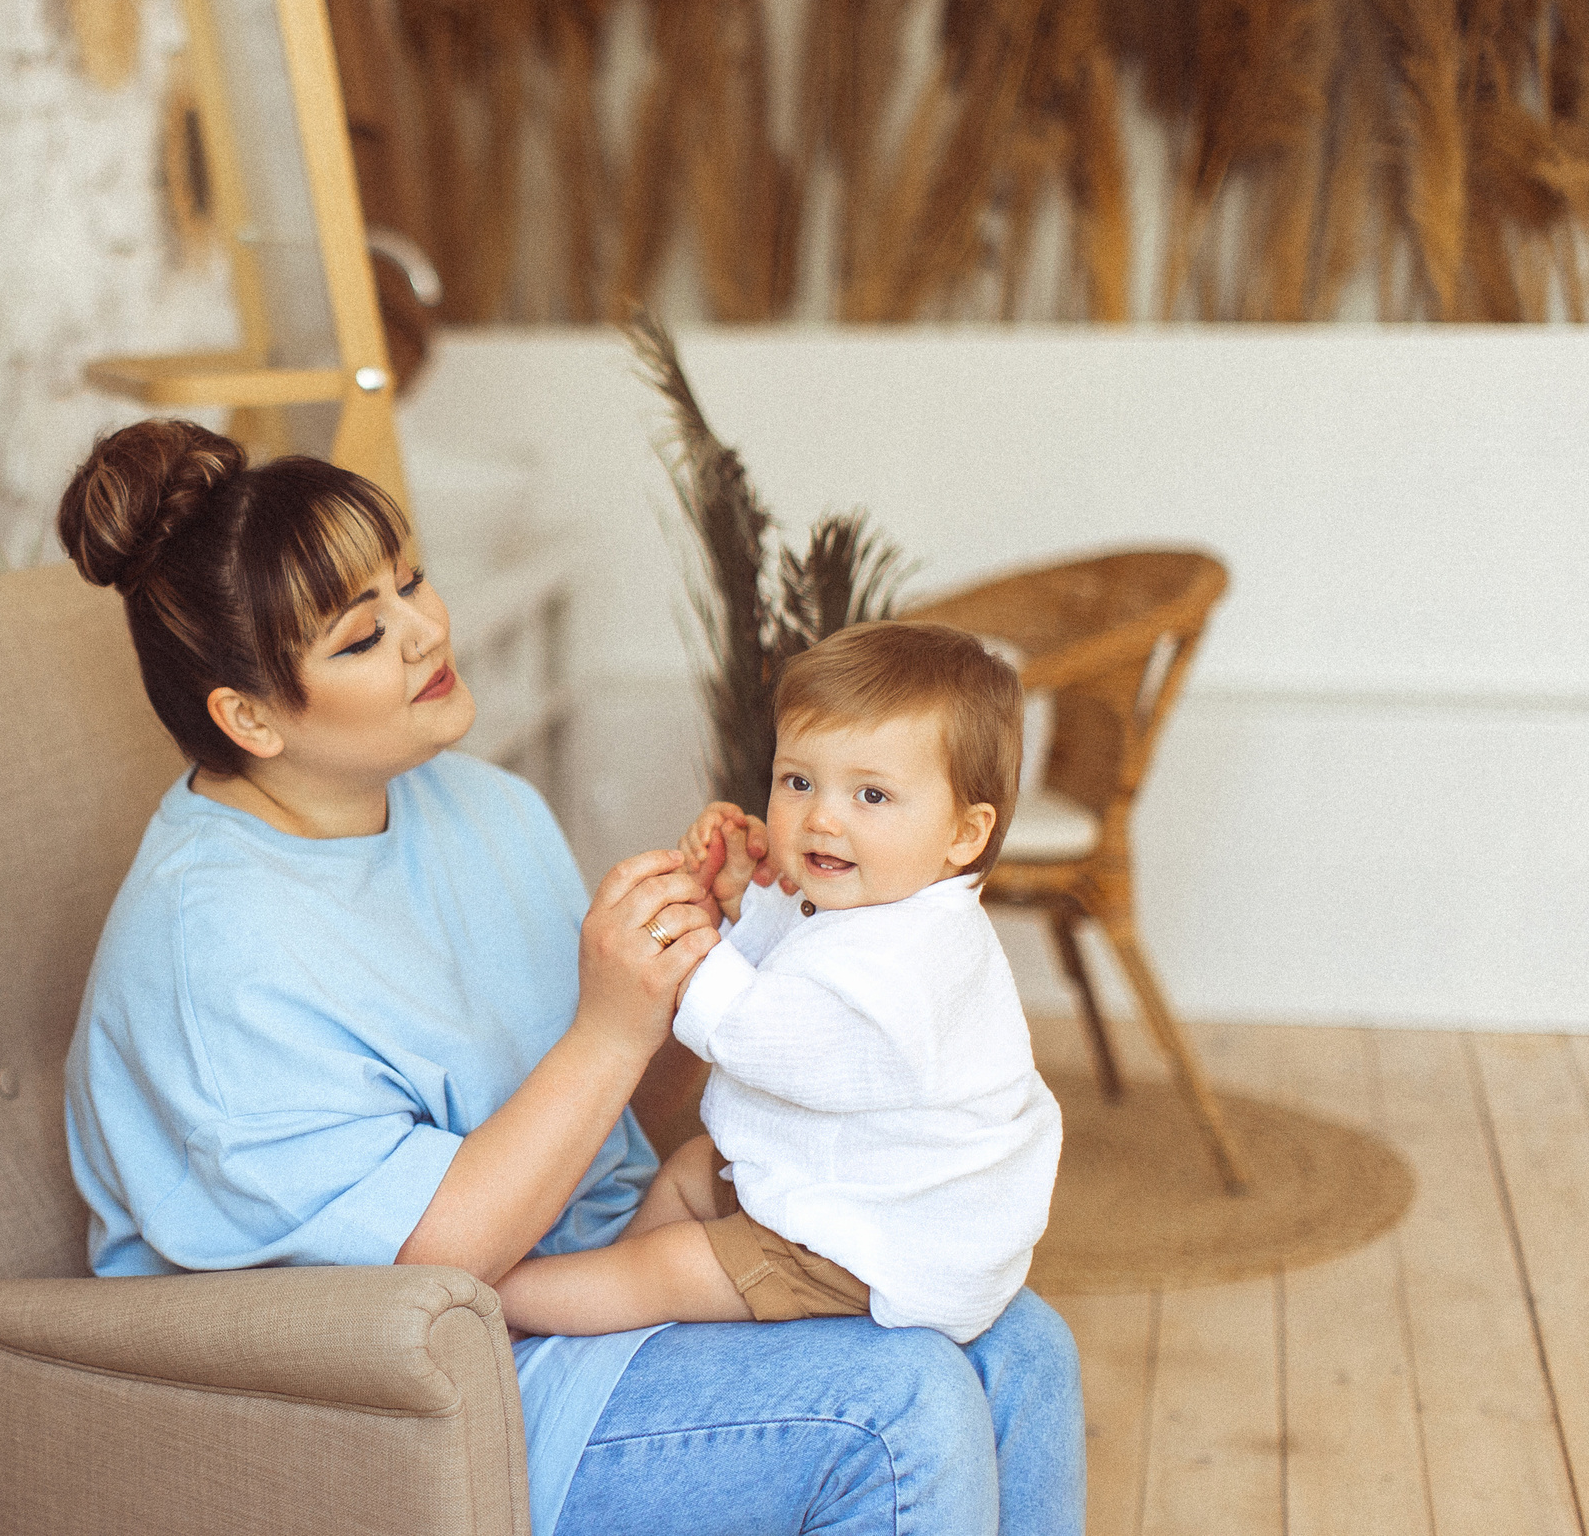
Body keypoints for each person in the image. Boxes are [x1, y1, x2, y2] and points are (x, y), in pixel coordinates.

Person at [57, 418, 1084, 1536]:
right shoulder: (214, 954)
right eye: (363, 636)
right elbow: (427, 1270)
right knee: (899, 1408)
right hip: (408, 1388)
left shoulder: (477, 806)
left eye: (411, 580)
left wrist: (712, 956)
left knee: (1018, 1347)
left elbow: (610, 1126)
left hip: (591, 1279)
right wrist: (610, 1027)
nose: (424, 632)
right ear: (247, 715)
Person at [493, 622, 1062, 1349]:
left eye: (872, 795)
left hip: (877, 1235)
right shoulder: (886, 902)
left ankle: (506, 1297)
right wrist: (743, 900)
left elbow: (764, 1034)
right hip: (842, 1172)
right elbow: (802, 956)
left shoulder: (914, 963)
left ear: (963, 832)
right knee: (694, 1170)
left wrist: (687, 944)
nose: (822, 815)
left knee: (671, 1265)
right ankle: (605, 1299)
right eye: (799, 781)